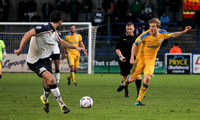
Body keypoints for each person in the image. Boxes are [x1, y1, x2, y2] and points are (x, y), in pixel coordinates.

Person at [14, 10, 86, 114]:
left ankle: (44, 99)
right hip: (35, 61)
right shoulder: (44, 28)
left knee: (48, 85)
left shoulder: (54, 32)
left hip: (46, 60)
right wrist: (20, 49)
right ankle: (62, 104)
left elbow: (61, 42)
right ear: (60, 22)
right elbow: (27, 34)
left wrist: (76, 47)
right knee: (52, 79)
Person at [117, 18, 191, 106]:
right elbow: (134, 44)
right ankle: (124, 83)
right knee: (132, 79)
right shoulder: (145, 35)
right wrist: (132, 58)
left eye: (153, 26)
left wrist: (184, 31)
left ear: (158, 27)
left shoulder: (162, 33)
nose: (151, 28)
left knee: (147, 79)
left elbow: (173, 34)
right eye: (150, 26)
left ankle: (138, 100)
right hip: (140, 59)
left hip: (151, 60)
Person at [115, 22, 142, 97]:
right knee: (125, 76)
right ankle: (126, 92)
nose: (129, 30)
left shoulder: (137, 38)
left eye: (130, 29)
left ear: (133, 29)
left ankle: (139, 93)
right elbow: (117, 49)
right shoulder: (121, 38)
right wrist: (121, 56)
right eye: (127, 29)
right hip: (124, 60)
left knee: (138, 75)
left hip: (135, 60)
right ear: (125, 29)